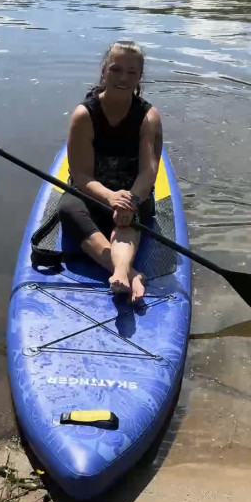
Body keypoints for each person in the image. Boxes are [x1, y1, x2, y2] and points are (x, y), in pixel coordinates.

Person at [58, 40, 163, 304]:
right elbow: (80, 176)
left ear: (139, 77)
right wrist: (109, 198)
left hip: (133, 193)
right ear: (104, 72)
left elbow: (149, 173)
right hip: (92, 192)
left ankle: (120, 271)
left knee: (129, 216)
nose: (122, 78)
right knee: (68, 209)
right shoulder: (84, 115)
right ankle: (128, 272)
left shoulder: (148, 116)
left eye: (131, 72)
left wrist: (131, 200)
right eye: (116, 70)